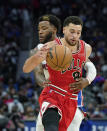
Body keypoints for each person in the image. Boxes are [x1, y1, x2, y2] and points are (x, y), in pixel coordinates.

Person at [23, 16, 97, 131]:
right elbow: (28, 68)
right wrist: (37, 59)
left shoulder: (85, 48)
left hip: (72, 100)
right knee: (49, 124)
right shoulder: (52, 46)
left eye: (78, 33)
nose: (75, 36)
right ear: (63, 30)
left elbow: (90, 67)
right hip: (53, 93)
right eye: (72, 32)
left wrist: (87, 80)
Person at [30, 14, 61, 88]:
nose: (40, 32)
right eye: (39, 29)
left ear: (54, 29)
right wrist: (48, 86)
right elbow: (38, 74)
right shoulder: (35, 51)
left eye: (44, 28)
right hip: (52, 92)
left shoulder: (69, 46)